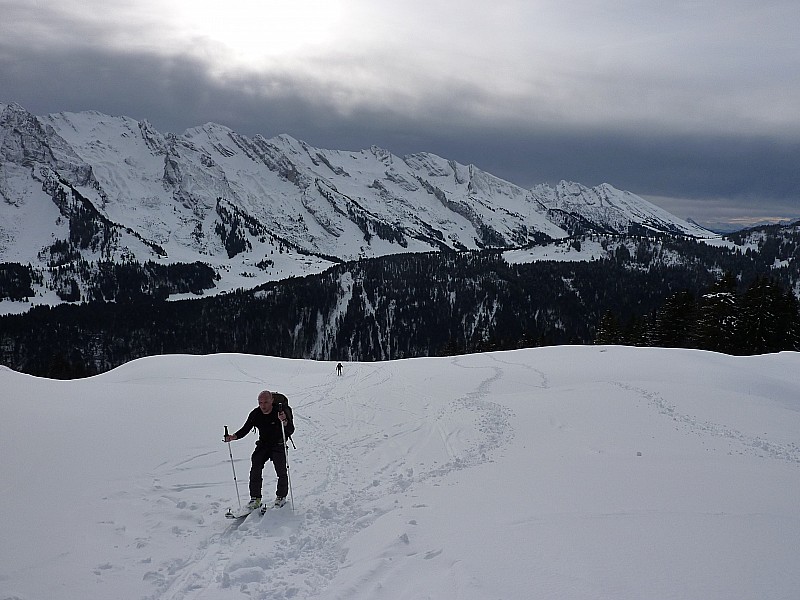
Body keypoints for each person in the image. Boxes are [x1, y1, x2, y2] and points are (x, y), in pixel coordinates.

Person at [224, 390, 294, 509]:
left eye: (266, 402)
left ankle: (281, 496)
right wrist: (233, 437)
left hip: (278, 444)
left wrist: (284, 421)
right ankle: (255, 498)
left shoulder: (280, 411)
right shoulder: (256, 414)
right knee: (255, 467)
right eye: (260, 402)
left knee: (281, 471)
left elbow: (290, 430)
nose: (263, 405)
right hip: (263, 444)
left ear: (272, 400)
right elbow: (245, 429)